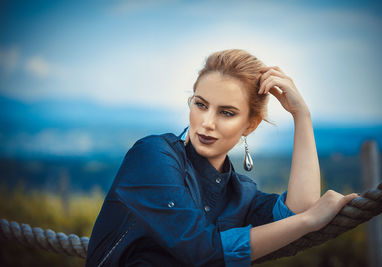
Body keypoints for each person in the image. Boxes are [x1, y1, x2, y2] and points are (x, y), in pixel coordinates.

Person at [86, 49, 359, 266]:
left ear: (250, 125)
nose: (207, 122)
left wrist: (302, 116)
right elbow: (202, 252)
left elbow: (299, 208)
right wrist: (310, 221)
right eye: (201, 104)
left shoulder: (242, 194)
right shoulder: (152, 155)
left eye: (226, 112)